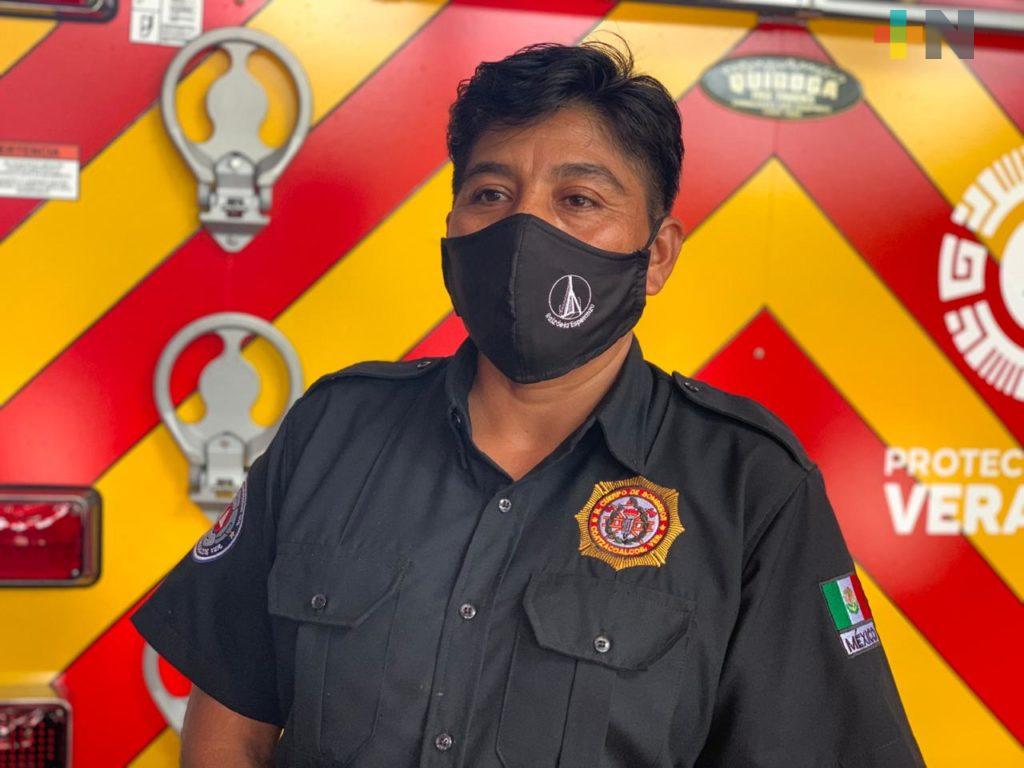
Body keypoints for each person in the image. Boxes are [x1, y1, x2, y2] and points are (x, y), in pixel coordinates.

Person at [131, 38, 925, 768]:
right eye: (490, 192)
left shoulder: (749, 487)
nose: (523, 229)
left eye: (578, 199)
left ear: (656, 255)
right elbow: (230, 728)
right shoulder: (333, 430)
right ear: (451, 225)